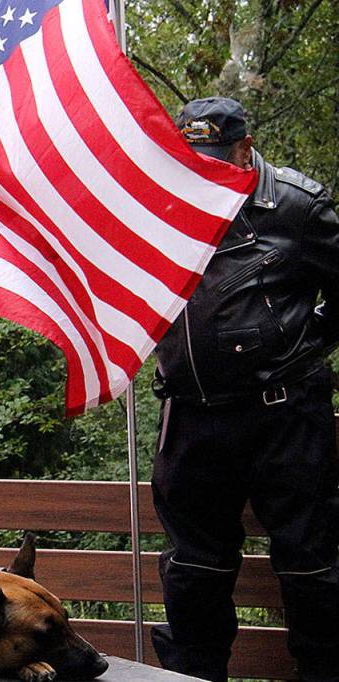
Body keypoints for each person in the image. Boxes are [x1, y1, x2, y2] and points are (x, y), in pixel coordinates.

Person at [151, 97, 339, 682]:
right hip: (191, 418)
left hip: (284, 416)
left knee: (310, 565)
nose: (205, 170)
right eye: (193, 158)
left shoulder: (295, 206)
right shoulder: (161, 202)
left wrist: (302, 346)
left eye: (216, 158)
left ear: (245, 147)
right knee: (192, 570)